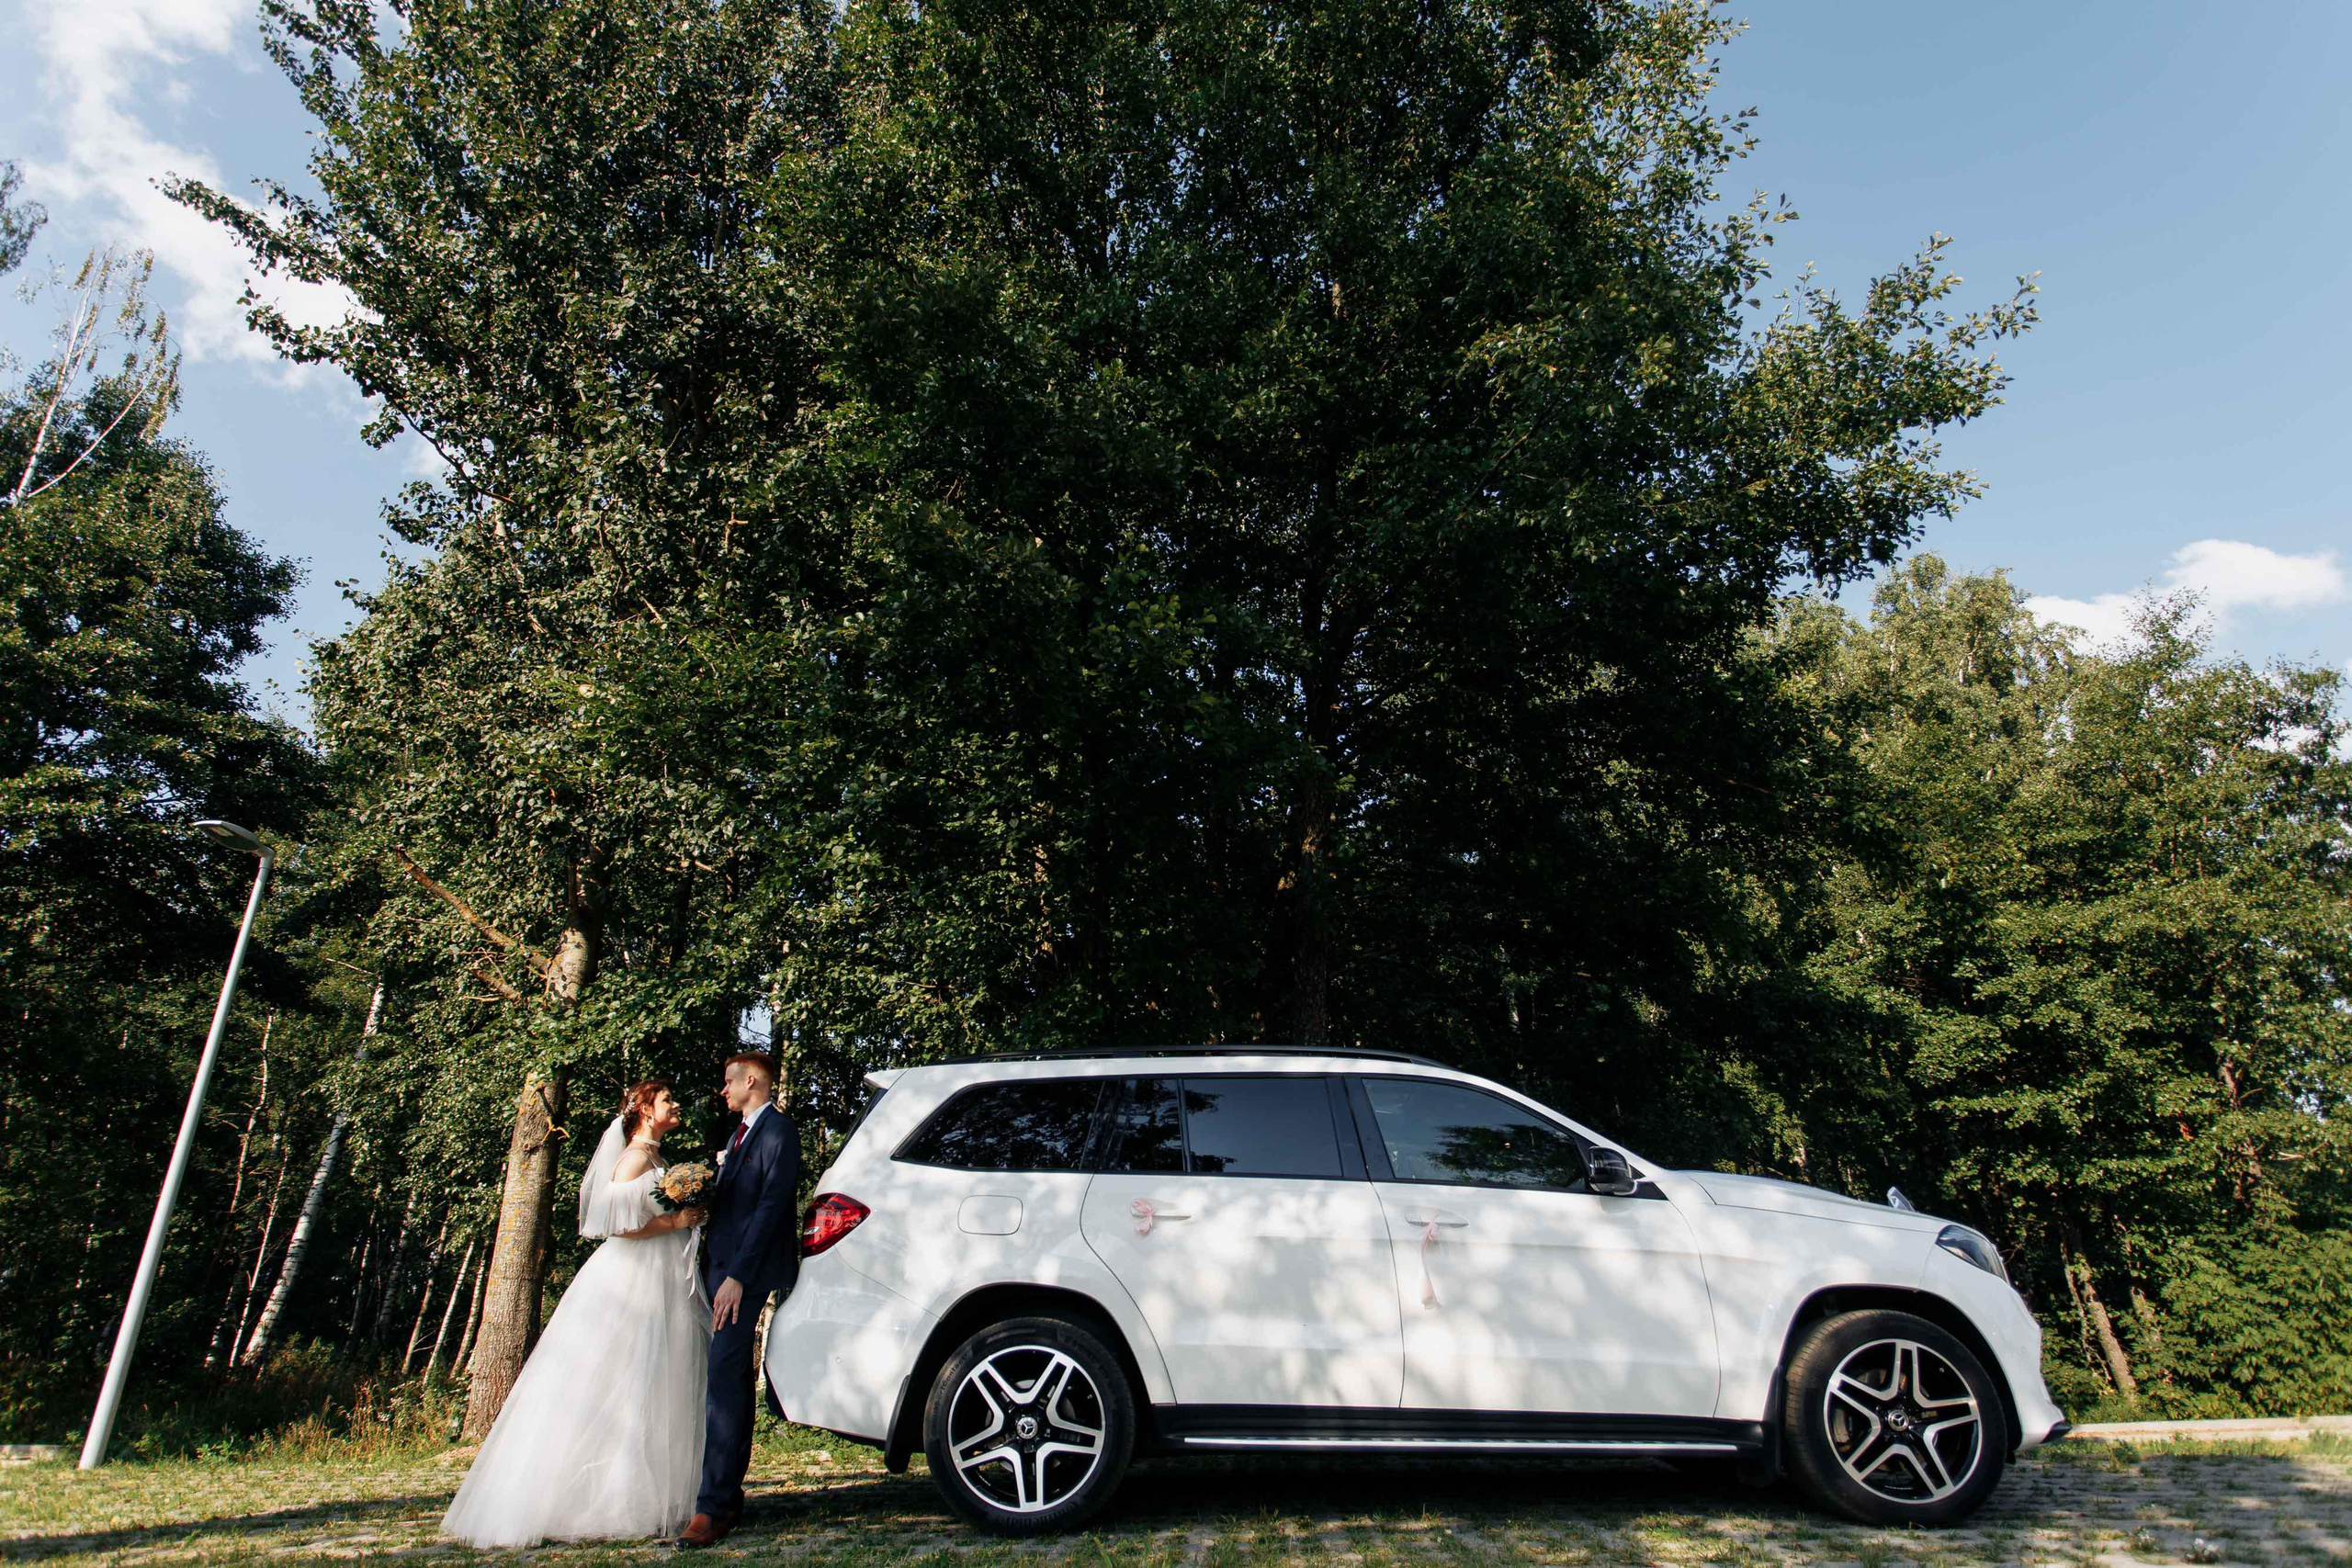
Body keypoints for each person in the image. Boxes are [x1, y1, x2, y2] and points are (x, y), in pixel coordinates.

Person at [440, 1080, 710, 1549]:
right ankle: (590, 1499)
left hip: (662, 1272)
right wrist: (675, 1221)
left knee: (654, 1381)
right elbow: (613, 1225)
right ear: (646, 1110)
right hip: (634, 1277)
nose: (676, 1104)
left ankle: (644, 1493)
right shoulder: (633, 1160)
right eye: (667, 1099)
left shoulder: (659, 1159)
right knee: (623, 1380)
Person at [680, 1051, 800, 1548]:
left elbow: (772, 1206)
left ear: (751, 1081)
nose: (723, 1091)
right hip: (719, 1270)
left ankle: (712, 1508)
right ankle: (727, 1497)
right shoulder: (737, 1135)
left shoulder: (779, 1131)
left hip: (740, 1278)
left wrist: (738, 1277)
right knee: (726, 1379)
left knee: (725, 1381)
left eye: (728, 1082)